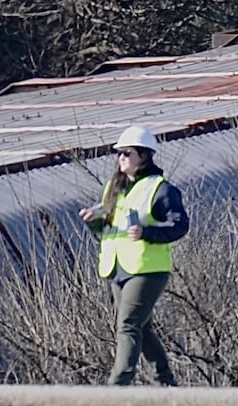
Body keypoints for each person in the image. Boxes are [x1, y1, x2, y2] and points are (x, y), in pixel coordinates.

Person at [79, 125, 189, 386]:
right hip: (117, 267)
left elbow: (179, 225)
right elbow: (107, 229)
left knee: (127, 324)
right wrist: (92, 221)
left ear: (144, 155)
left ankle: (118, 384)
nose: (121, 158)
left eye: (127, 153)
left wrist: (146, 232)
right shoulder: (113, 188)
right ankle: (165, 381)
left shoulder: (161, 189)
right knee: (142, 327)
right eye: (118, 153)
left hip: (147, 269)